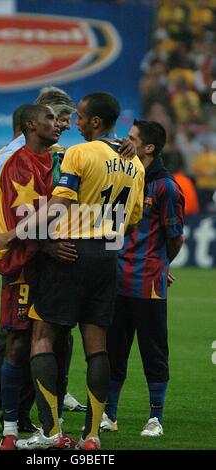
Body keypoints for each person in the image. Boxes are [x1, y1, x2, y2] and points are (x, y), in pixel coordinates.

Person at [0, 92, 145, 450]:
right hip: (108, 255)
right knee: (97, 348)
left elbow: (58, 206)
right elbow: (133, 220)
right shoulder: (135, 164)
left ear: (94, 122)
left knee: (42, 338)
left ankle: (50, 432)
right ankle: (91, 437)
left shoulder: (79, 153)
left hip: (71, 252)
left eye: (78, 118)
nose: (71, 124)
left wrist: (11, 234)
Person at [0, 87, 85, 436]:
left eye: (65, 120)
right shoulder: (13, 156)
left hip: (38, 251)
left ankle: (24, 413)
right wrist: (12, 235)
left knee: (40, 335)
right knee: (13, 338)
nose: (63, 126)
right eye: (58, 119)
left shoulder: (50, 154)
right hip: (22, 255)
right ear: (33, 123)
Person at [101, 120, 185, 437]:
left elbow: (175, 237)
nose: (126, 140)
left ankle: (155, 418)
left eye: (133, 138)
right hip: (115, 279)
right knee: (113, 351)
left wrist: (161, 264)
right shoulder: (123, 174)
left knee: (153, 351)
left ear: (148, 148)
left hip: (147, 281)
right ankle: (109, 414)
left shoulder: (165, 187)